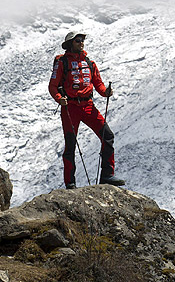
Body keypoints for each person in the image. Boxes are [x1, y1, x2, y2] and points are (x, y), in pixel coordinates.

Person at [49, 31, 125, 188]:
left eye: (82, 40)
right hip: (70, 107)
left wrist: (106, 92)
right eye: (78, 40)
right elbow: (53, 86)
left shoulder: (90, 63)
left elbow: (98, 84)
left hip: (88, 106)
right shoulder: (62, 62)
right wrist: (59, 99)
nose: (81, 42)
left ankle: (107, 175)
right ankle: (70, 183)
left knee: (107, 136)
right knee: (70, 145)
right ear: (70, 43)